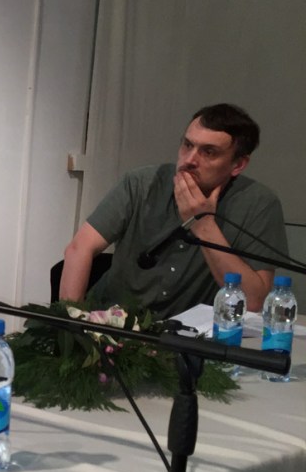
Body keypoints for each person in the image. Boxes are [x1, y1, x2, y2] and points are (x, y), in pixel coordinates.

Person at [59, 103, 288, 318]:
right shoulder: (141, 184)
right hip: (110, 321)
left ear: (237, 165)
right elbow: (78, 249)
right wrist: (71, 324)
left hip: (186, 336)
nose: (190, 160)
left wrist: (204, 226)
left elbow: (254, 302)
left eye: (209, 152)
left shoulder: (259, 204)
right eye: (187, 145)